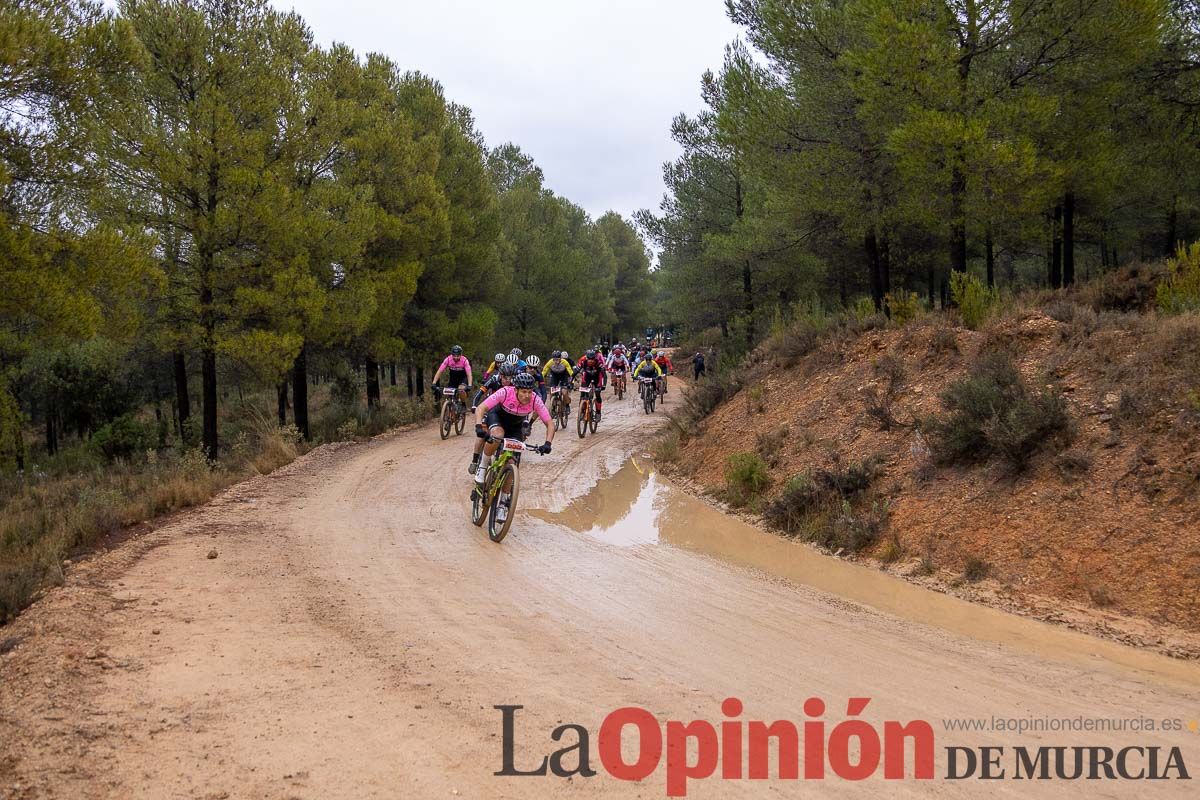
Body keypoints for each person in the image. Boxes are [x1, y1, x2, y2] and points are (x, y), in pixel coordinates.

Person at [473, 373, 553, 523]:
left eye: (529, 392)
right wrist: (479, 427)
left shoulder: (535, 399)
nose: (527, 395)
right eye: (523, 391)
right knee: (497, 434)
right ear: (515, 389)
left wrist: (547, 443)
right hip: (497, 418)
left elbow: (550, 423)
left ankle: (503, 503)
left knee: (512, 462)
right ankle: (483, 466)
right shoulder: (505, 392)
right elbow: (481, 408)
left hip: (515, 427)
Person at [469, 363, 518, 473]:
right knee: (483, 432)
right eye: (505, 377)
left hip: (505, 412)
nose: (508, 380)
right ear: (500, 375)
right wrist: (474, 404)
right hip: (490, 408)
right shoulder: (493, 380)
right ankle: (475, 460)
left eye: (510, 377)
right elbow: (480, 393)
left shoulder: (515, 384)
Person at [575, 349, 607, 421]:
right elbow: (575, 371)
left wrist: (604, 385)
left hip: (597, 378)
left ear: (595, 358)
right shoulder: (583, 362)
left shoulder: (599, 363)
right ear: (587, 358)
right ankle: (582, 411)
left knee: (597, 394)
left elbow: (604, 375)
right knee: (583, 394)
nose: (591, 361)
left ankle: (598, 413)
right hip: (587, 377)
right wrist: (571, 381)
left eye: (592, 359)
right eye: (589, 359)